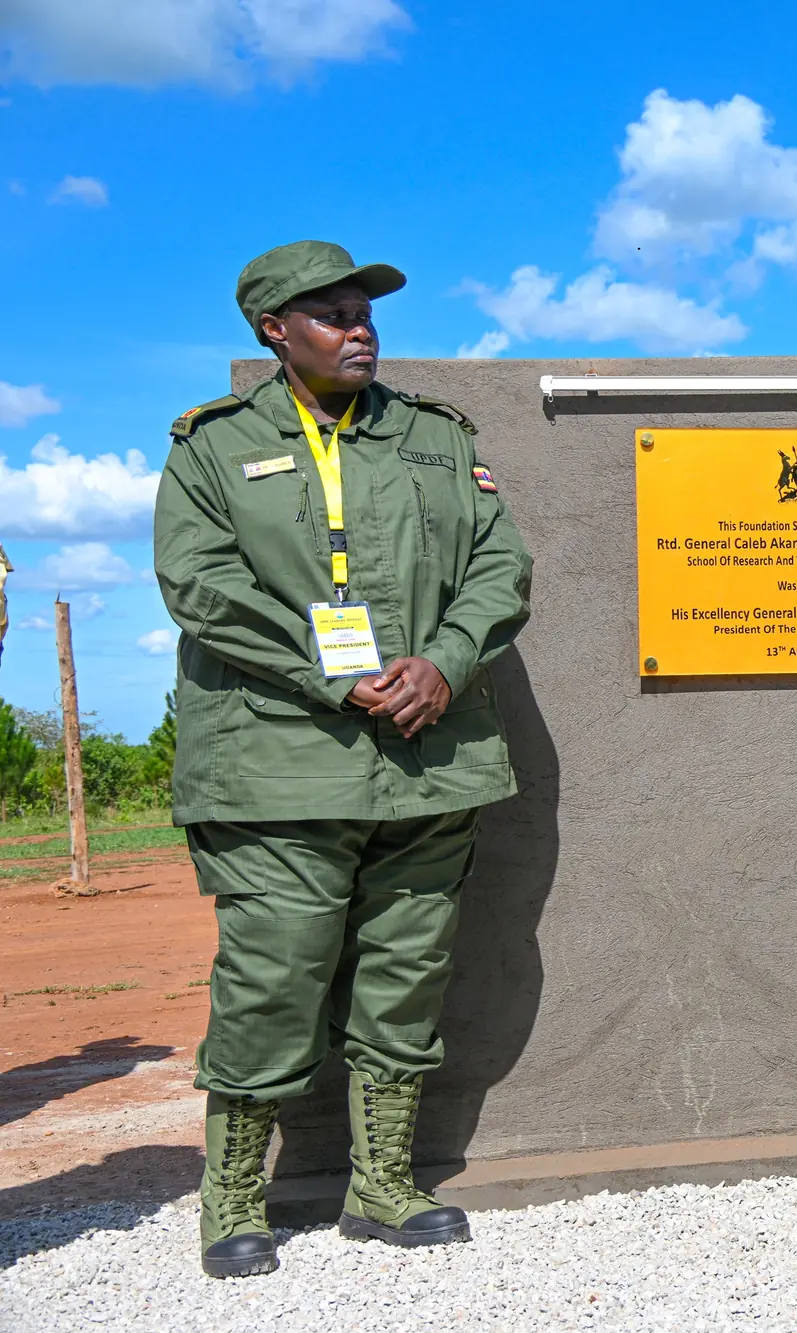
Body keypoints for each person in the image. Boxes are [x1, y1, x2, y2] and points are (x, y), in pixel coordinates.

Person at [154, 240, 532, 1276]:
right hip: (276, 765)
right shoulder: (211, 448)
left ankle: (382, 1186)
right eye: (328, 312)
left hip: (427, 760)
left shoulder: (435, 437)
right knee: (275, 979)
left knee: (406, 979)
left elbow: (500, 562)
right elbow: (201, 586)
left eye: (364, 309)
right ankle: (232, 1197)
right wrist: (334, 679)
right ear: (273, 331)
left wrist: (446, 664)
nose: (358, 326)